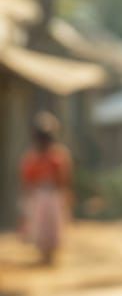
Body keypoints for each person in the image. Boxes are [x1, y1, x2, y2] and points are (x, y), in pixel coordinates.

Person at [18, 111, 73, 265]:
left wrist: (65, 192)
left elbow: (64, 175)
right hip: (39, 194)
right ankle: (43, 253)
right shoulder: (32, 156)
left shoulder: (58, 154)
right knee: (39, 225)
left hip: (54, 193)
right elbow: (27, 177)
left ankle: (51, 254)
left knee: (54, 225)